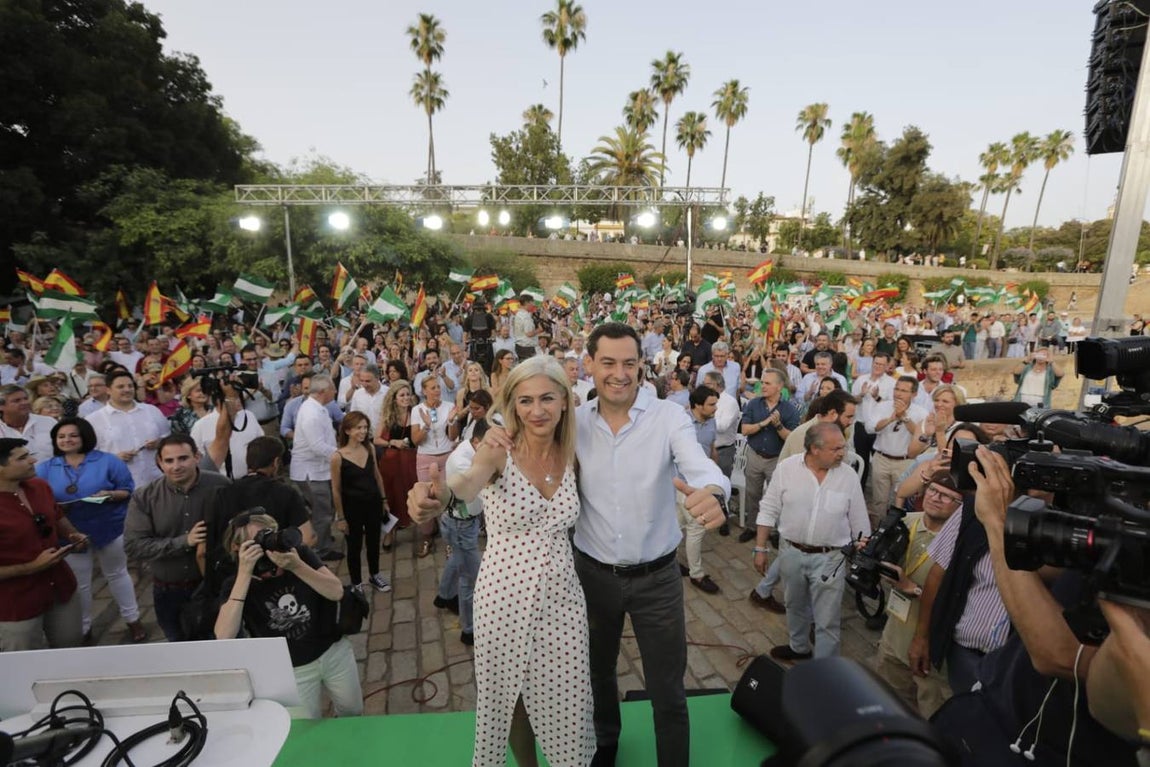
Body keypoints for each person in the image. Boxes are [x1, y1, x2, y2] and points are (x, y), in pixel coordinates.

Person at [409, 323, 728, 767]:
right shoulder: (566, 429)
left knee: (667, 689)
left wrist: (713, 492)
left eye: (630, 363)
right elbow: (469, 483)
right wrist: (439, 493)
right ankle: (603, 751)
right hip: (587, 578)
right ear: (590, 365)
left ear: (642, 365)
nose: (620, 373)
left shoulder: (664, 419)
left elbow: (697, 464)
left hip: (654, 580)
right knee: (594, 679)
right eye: (609, 362)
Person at [435, 356, 594, 766]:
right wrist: (441, 494)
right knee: (510, 695)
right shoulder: (497, 450)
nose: (536, 410)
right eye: (525, 400)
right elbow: (465, 485)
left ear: (564, 401)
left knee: (570, 688)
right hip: (503, 594)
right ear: (511, 405)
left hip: (562, 595)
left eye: (547, 398)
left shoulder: (572, 453)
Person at [214, 513, 363, 720]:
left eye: (269, 535)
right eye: (258, 542)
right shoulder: (235, 582)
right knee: (304, 726)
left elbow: (336, 592)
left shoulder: (297, 554)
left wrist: (296, 566)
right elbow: (223, 635)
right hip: (292, 670)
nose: (267, 545)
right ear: (237, 548)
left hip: (332, 652)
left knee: (352, 711)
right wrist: (244, 574)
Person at [754, 422, 870, 660]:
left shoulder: (848, 476)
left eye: (843, 447)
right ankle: (799, 648)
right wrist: (760, 547)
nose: (842, 453)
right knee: (794, 605)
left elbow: (859, 518)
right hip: (791, 553)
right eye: (836, 449)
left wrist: (863, 552)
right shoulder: (787, 468)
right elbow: (768, 508)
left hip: (831, 558)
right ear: (815, 449)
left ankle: (823, 669)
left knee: (827, 619)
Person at [35, 418, 144, 644]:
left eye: (73, 435)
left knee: (117, 573)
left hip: (109, 527)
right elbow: (39, 499)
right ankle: (84, 628)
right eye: (61, 436)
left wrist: (110, 495)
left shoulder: (108, 461)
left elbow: (127, 490)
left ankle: (133, 619)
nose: (67, 440)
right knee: (80, 583)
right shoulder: (45, 468)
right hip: (70, 532)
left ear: (84, 436)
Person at [868, 469, 959, 718]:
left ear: (961, 507)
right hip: (893, 638)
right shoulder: (906, 522)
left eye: (947, 496)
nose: (936, 498)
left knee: (934, 718)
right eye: (933, 490)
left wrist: (913, 588)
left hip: (932, 655)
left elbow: (959, 603)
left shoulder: (961, 544)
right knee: (888, 707)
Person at [124, 434, 230, 642]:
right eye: (169, 460)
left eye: (183, 458)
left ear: (197, 457)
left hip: (214, 588)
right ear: (159, 463)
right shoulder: (145, 497)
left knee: (224, 646)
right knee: (179, 648)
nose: (176, 466)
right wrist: (184, 541)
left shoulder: (221, 486)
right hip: (169, 592)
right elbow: (134, 546)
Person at [0, 438, 88, 651]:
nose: (32, 460)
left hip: (61, 587)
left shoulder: (39, 486)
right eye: (22, 458)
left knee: (71, 649)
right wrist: (31, 567)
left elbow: (56, 516)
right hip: (16, 605)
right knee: (25, 664)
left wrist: (73, 534)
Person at [435, 418, 488, 646]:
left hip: (465, 521)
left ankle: (444, 596)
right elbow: (486, 489)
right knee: (472, 578)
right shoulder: (462, 462)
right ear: (477, 441)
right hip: (461, 524)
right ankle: (469, 630)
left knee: (458, 559)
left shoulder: (474, 451)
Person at [332, 412, 390, 594]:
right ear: (348, 430)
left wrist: (384, 500)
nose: (363, 431)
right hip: (352, 508)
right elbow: (336, 489)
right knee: (354, 547)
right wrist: (341, 517)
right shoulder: (338, 457)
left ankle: (375, 574)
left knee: (373, 542)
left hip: (373, 504)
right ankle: (356, 582)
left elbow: (377, 476)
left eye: (365, 427)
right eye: (359, 428)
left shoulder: (369, 448)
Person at [86, 369, 171, 491]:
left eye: (130, 386)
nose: (127, 390)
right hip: (119, 488)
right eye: (120, 387)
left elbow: (168, 440)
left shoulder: (152, 411)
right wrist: (113, 459)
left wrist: (159, 443)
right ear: (108, 390)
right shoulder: (93, 420)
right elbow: (88, 457)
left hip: (157, 483)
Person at [289, 374, 341, 562]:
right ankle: (321, 549)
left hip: (318, 469)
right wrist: (340, 455)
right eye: (332, 389)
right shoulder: (311, 413)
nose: (335, 391)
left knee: (324, 508)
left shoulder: (318, 408)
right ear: (322, 391)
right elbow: (317, 446)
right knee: (322, 510)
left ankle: (322, 536)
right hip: (311, 471)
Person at [865, 376, 928, 521]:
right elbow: (870, 428)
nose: (898, 394)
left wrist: (904, 417)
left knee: (900, 500)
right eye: (896, 389)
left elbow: (921, 437)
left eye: (904, 391)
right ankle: (879, 528)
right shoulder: (882, 406)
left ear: (914, 394)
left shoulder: (921, 412)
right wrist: (890, 419)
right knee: (878, 501)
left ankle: (896, 528)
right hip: (881, 458)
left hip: (905, 462)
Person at [680, 385, 720, 594]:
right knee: (697, 526)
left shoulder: (712, 420)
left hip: (703, 482)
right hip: (684, 484)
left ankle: (669, 560)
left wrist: (715, 471)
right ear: (697, 405)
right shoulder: (681, 423)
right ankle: (697, 574)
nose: (716, 408)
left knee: (677, 523)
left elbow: (711, 447)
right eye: (711, 404)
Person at [411, 374, 457, 558]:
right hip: (425, 458)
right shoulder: (417, 410)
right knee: (426, 497)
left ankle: (449, 539)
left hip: (446, 457)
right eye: (433, 388)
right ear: (424, 391)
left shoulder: (449, 406)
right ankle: (427, 536)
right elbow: (416, 440)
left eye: (438, 387)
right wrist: (427, 426)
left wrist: (452, 421)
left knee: (446, 498)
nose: (437, 390)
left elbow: (453, 437)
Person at [375, 381, 418, 549]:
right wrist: (392, 442)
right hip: (392, 461)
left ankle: (424, 527)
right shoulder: (387, 416)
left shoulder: (416, 413)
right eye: (402, 395)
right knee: (390, 497)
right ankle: (389, 532)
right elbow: (376, 439)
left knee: (412, 494)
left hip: (411, 460)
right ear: (394, 398)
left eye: (408, 394)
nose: (406, 398)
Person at [0, 384, 56, 461]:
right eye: (17, 401)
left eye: (26, 399)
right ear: (1, 406)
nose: (24, 402)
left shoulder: (49, 422)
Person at [512, 295, 539, 360]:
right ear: (527, 303)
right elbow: (529, 333)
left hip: (520, 346)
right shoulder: (525, 316)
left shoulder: (518, 313)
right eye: (532, 302)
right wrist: (540, 330)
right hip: (527, 348)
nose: (533, 305)